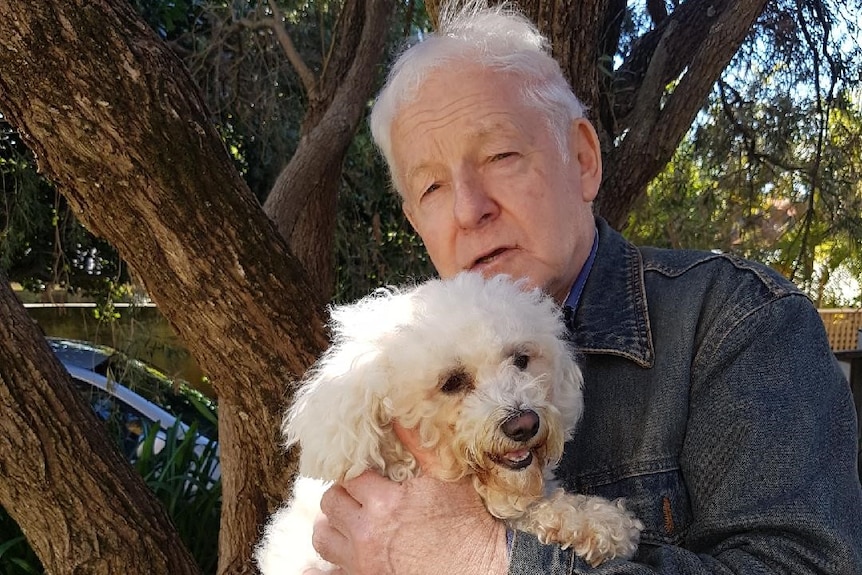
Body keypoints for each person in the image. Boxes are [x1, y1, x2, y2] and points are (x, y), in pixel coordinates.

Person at [307, 2, 862, 573]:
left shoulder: (737, 321)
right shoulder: (385, 385)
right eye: (432, 188)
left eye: (500, 155)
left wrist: (481, 558)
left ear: (584, 158)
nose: (470, 209)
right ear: (416, 223)